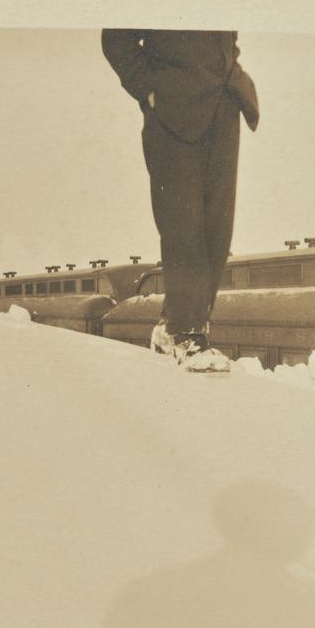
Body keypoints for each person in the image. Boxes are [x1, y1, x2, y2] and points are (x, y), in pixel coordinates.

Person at [101, 29, 259, 372]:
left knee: (217, 230)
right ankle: (186, 334)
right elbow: (115, 38)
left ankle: (177, 324)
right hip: (173, 112)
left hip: (224, 104)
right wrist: (149, 90)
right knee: (183, 224)